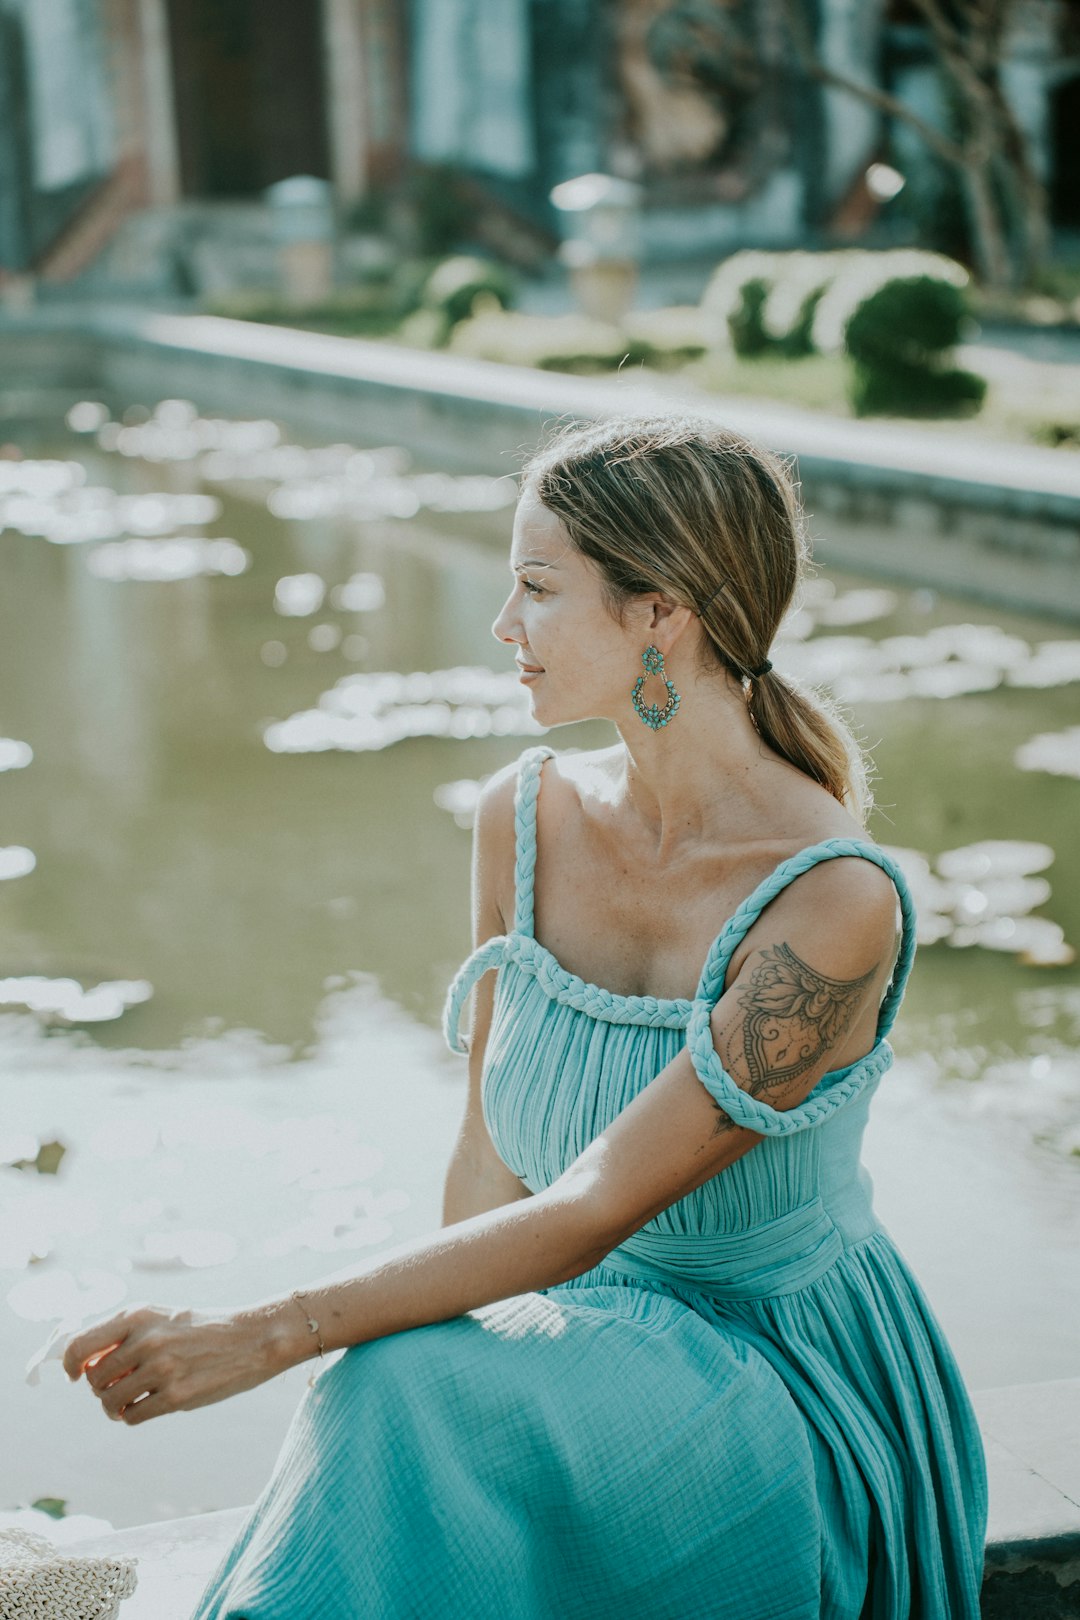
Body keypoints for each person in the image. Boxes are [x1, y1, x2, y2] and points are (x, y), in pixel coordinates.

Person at [63, 416, 987, 1618]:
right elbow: (487, 1155)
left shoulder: (833, 901)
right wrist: (435, 1341)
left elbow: (598, 1200)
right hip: (582, 1346)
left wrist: (271, 1330)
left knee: (384, 1391)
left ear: (661, 613)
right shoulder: (523, 816)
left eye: (539, 588)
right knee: (402, 1382)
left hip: (775, 1378)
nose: (505, 626)